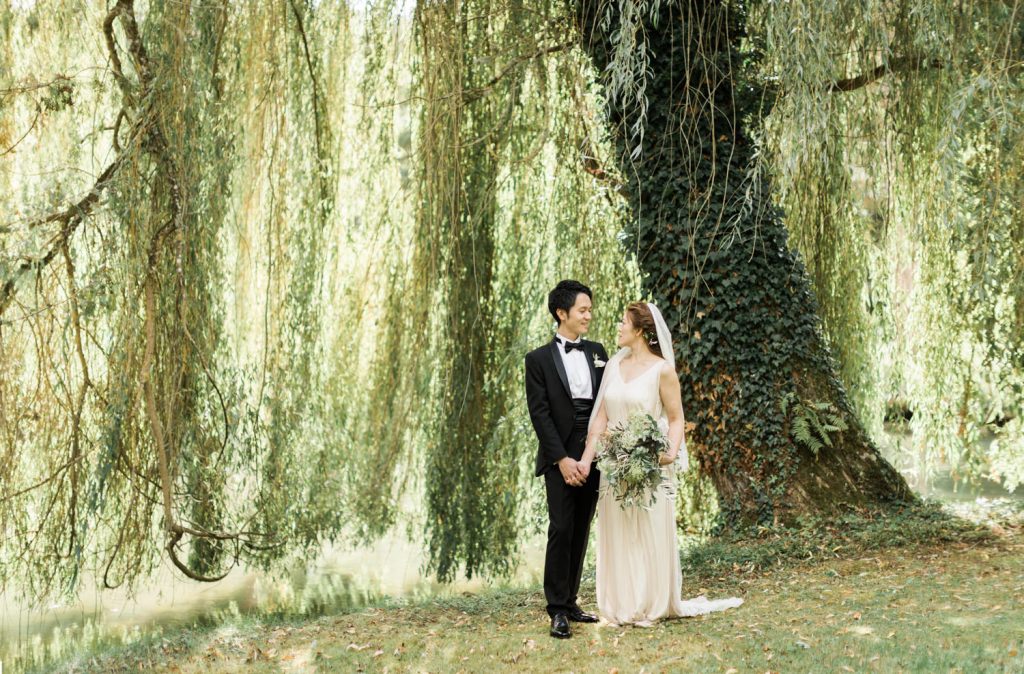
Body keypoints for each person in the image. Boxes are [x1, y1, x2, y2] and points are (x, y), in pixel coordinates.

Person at [579, 301, 743, 626]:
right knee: (619, 531)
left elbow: (676, 418)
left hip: (649, 464)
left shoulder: (662, 370)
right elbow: (600, 419)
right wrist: (589, 456)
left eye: (623, 322)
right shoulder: (613, 365)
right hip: (614, 465)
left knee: (647, 530)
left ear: (640, 330)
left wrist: (668, 452)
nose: (617, 326)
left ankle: (651, 603)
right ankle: (621, 605)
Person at [524, 280, 609, 639]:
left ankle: (572, 601)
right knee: (561, 527)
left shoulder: (598, 351)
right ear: (562, 313)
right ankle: (556, 609)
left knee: (581, 527)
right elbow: (539, 413)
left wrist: (591, 453)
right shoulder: (538, 360)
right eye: (582, 310)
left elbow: (606, 402)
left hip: (593, 448)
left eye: (590, 309)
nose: (588, 315)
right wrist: (561, 459)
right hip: (559, 451)